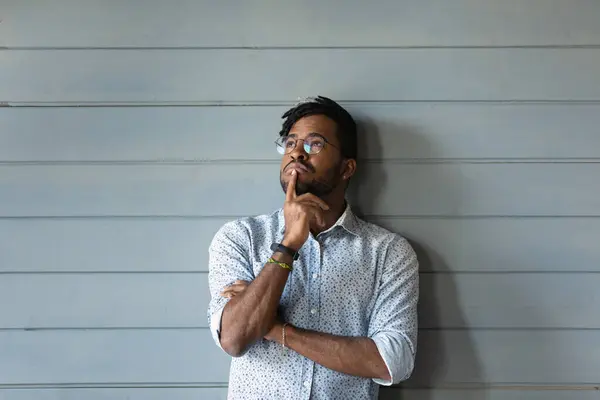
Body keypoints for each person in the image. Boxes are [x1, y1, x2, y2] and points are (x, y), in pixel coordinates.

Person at [207, 96, 419, 400]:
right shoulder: (241, 238)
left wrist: (279, 330)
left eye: (314, 144)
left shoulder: (387, 253)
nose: (297, 154)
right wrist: (289, 244)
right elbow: (234, 338)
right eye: (290, 143)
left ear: (347, 168)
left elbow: (392, 362)